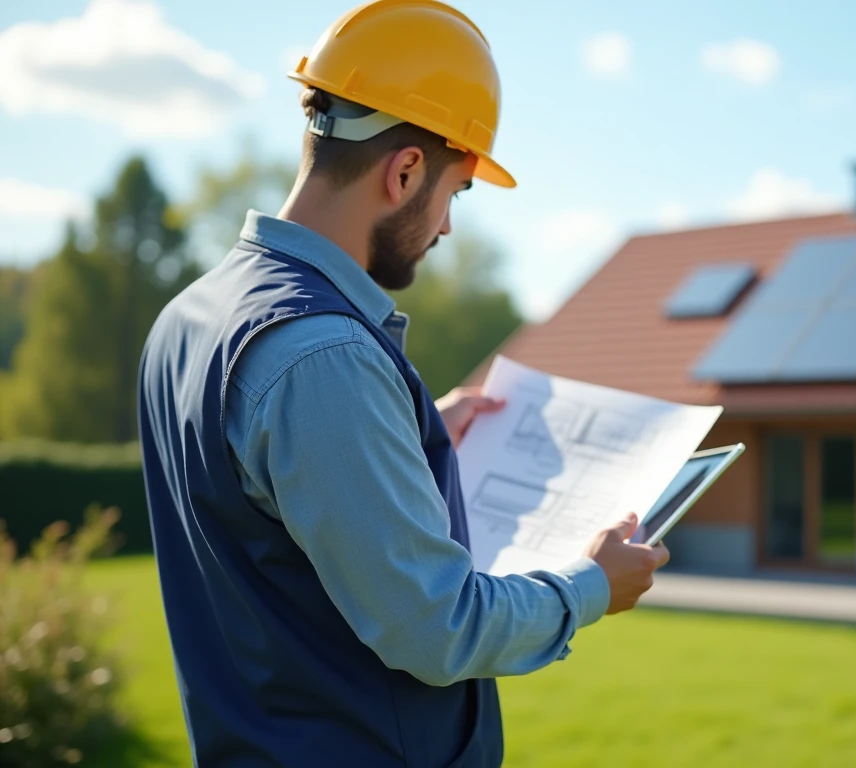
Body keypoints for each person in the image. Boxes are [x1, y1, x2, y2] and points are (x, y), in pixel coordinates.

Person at [136, 1, 668, 765]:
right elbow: (436, 627)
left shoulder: (190, 317)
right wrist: (589, 587)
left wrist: (405, 437)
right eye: (456, 193)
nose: (447, 226)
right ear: (406, 170)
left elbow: (269, 511)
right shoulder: (323, 358)